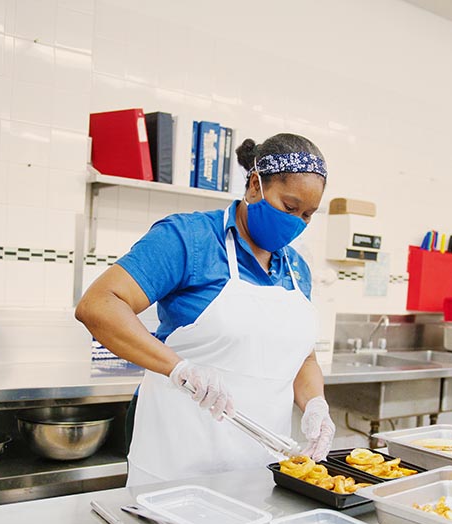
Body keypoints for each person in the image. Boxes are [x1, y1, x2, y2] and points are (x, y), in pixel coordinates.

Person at [75, 133, 335, 486]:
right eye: (290, 208)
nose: (297, 222)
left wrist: (315, 404)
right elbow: (99, 305)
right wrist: (180, 368)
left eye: (308, 215)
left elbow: (302, 358)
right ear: (255, 186)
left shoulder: (296, 269)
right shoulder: (190, 239)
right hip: (177, 461)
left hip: (260, 468)